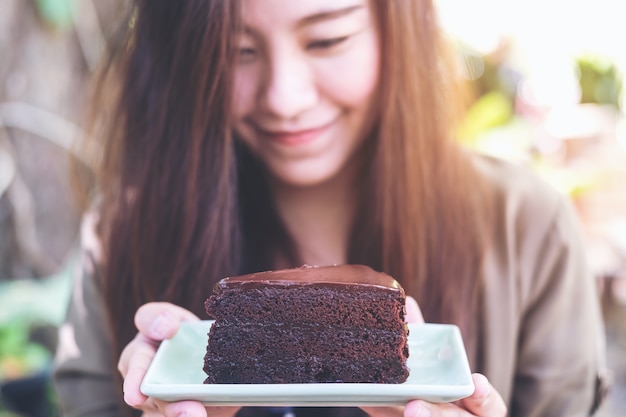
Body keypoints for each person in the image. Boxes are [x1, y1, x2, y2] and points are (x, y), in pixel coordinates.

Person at [52, 1, 608, 416]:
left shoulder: (528, 229)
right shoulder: (122, 233)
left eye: (326, 41)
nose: (285, 98)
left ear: (398, 28)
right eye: (236, 51)